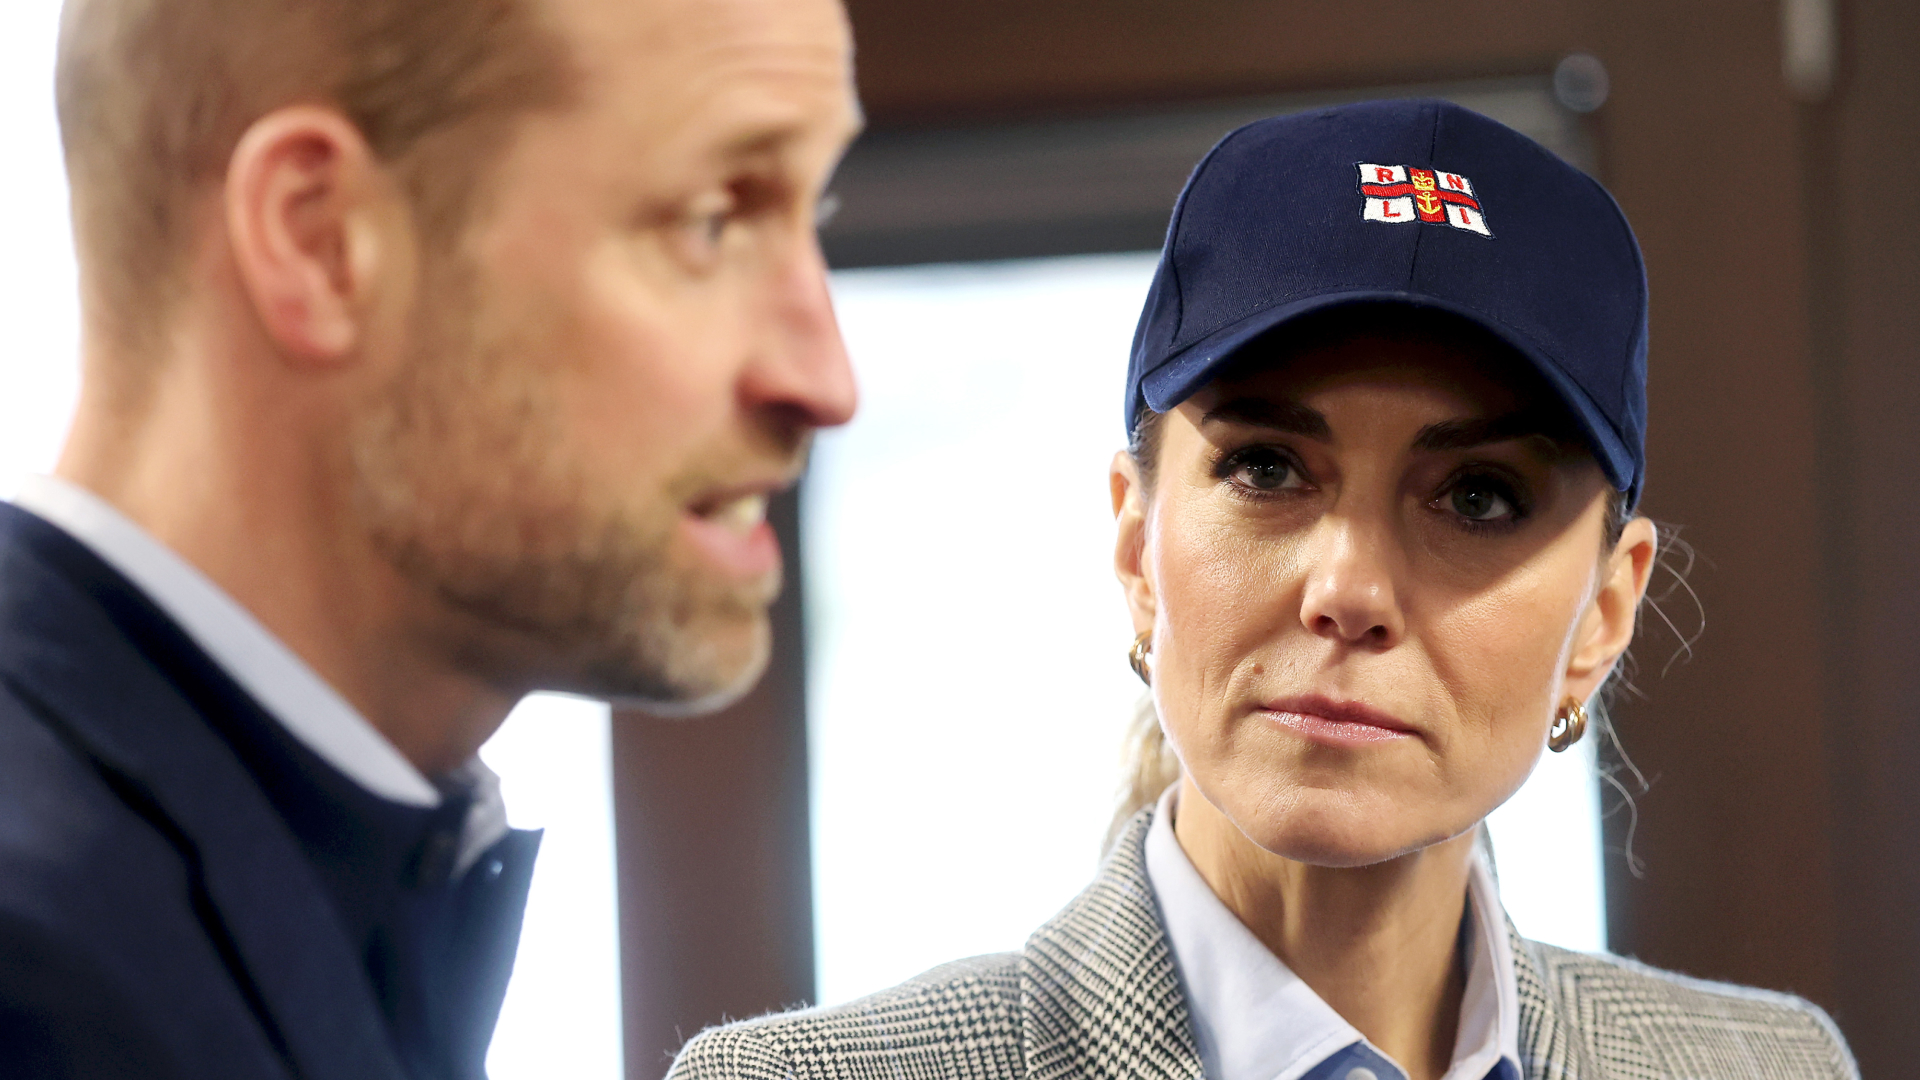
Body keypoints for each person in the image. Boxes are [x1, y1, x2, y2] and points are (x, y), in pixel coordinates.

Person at [667, 100, 1859, 1080]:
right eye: (1268, 469)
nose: (1349, 588)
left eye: (1479, 495)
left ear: (1602, 616)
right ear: (1137, 547)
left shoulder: (1772, 1069)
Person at [0, 0, 859, 1075]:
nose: (826, 381)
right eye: (712, 221)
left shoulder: (297, 882)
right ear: (320, 241)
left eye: (814, 210)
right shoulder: (44, 978)